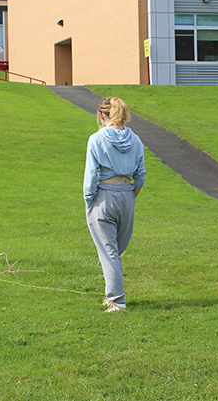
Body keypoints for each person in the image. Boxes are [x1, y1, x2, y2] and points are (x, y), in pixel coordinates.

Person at [84, 97, 147, 312]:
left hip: (104, 195)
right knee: (115, 250)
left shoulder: (96, 139)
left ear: (102, 115)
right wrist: (131, 196)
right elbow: (140, 176)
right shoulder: (136, 140)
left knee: (109, 249)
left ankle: (117, 301)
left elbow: (91, 176)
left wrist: (88, 200)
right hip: (127, 195)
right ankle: (112, 295)